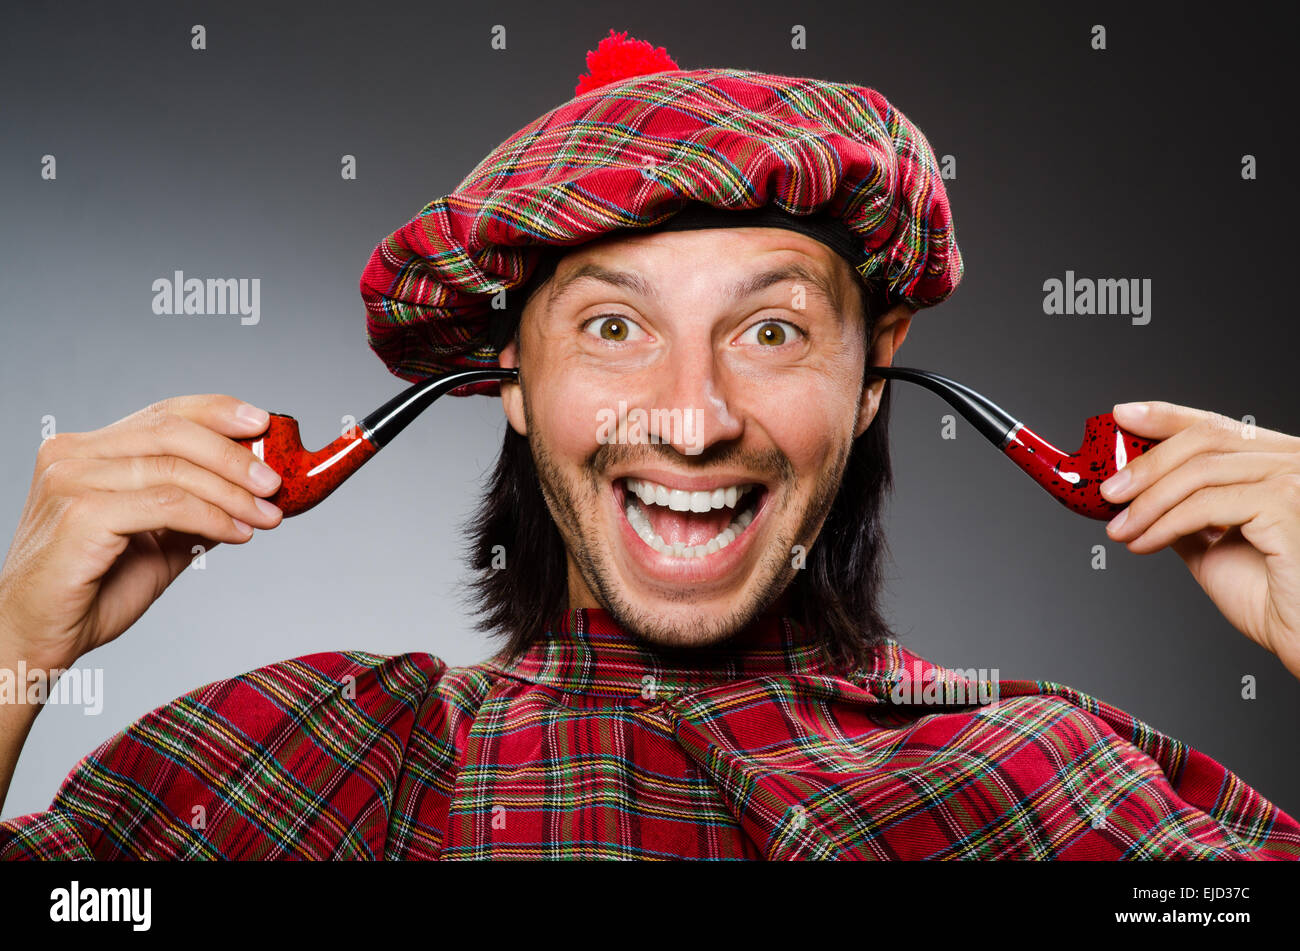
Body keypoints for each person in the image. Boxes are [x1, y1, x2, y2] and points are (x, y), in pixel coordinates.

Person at [2, 30, 1298, 860]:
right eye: (615, 325)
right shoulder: (301, 764)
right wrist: (15, 646)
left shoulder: (1053, 786)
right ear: (509, 373)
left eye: (775, 331)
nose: (691, 415)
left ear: (871, 373)